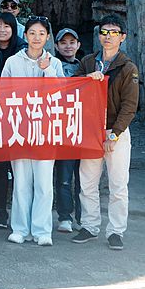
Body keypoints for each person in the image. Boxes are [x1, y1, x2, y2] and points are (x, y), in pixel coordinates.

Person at [73, 15, 139, 251]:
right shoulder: (88, 61)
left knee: (118, 184)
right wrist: (86, 79)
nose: (108, 36)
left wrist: (115, 134)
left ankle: (116, 230)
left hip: (115, 131)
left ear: (122, 37)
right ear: (99, 35)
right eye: (104, 32)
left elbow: (130, 106)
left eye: (114, 32)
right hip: (90, 129)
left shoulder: (128, 67)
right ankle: (89, 226)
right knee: (87, 182)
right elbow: (72, 86)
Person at [1, 16, 64, 247]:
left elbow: (60, 95)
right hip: (19, 128)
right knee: (21, 182)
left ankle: (42, 230)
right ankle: (20, 229)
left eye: (41, 33)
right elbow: (2, 94)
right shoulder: (12, 62)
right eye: (32, 33)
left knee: (44, 183)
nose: (36, 38)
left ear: (48, 37)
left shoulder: (54, 63)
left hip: (45, 129)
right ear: (25, 35)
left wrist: (47, 71)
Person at [0, 11, 26, 228]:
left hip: (19, 114)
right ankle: (1, 212)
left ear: (14, 29)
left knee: (19, 166)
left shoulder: (22, 50)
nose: (2, 30)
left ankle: (20, 214)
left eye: (7, 26)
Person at [53, 27, 83, 233]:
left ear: (78, 45)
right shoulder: (52, 65)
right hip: (61, 128)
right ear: (56, 46)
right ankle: (64, 216)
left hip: (82, 126)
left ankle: (82, 216)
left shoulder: (86, 66)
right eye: (63, 43)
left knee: (83, 178)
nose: (68, 46)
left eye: (72, 42)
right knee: (63, 176)